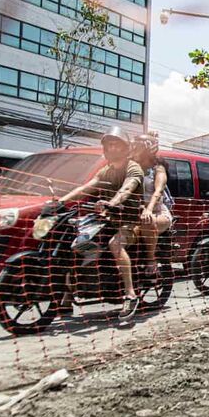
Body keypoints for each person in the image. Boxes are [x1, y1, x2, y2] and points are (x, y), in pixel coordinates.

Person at [56, 126, 144, 322]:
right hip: (107, 221)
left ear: (125, 148)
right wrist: (60, 202)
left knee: (115, 243)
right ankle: (68, 295)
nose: (111, 149)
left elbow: (127, 188)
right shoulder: (105, 170)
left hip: (131, 222)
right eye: (108, 145)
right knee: (74, 241)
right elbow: (86, 187)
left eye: (116, 145)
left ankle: (130, 295)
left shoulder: (133, 167)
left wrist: (112, 203)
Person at [132, 132, 173, 277]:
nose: (134, 149)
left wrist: (149, 210)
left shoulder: (157, 169)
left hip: (157, 213)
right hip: (135, 212)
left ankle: (151, 260)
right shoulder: (131, 168)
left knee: (147, 222)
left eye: (138, 147)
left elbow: (158, 191)